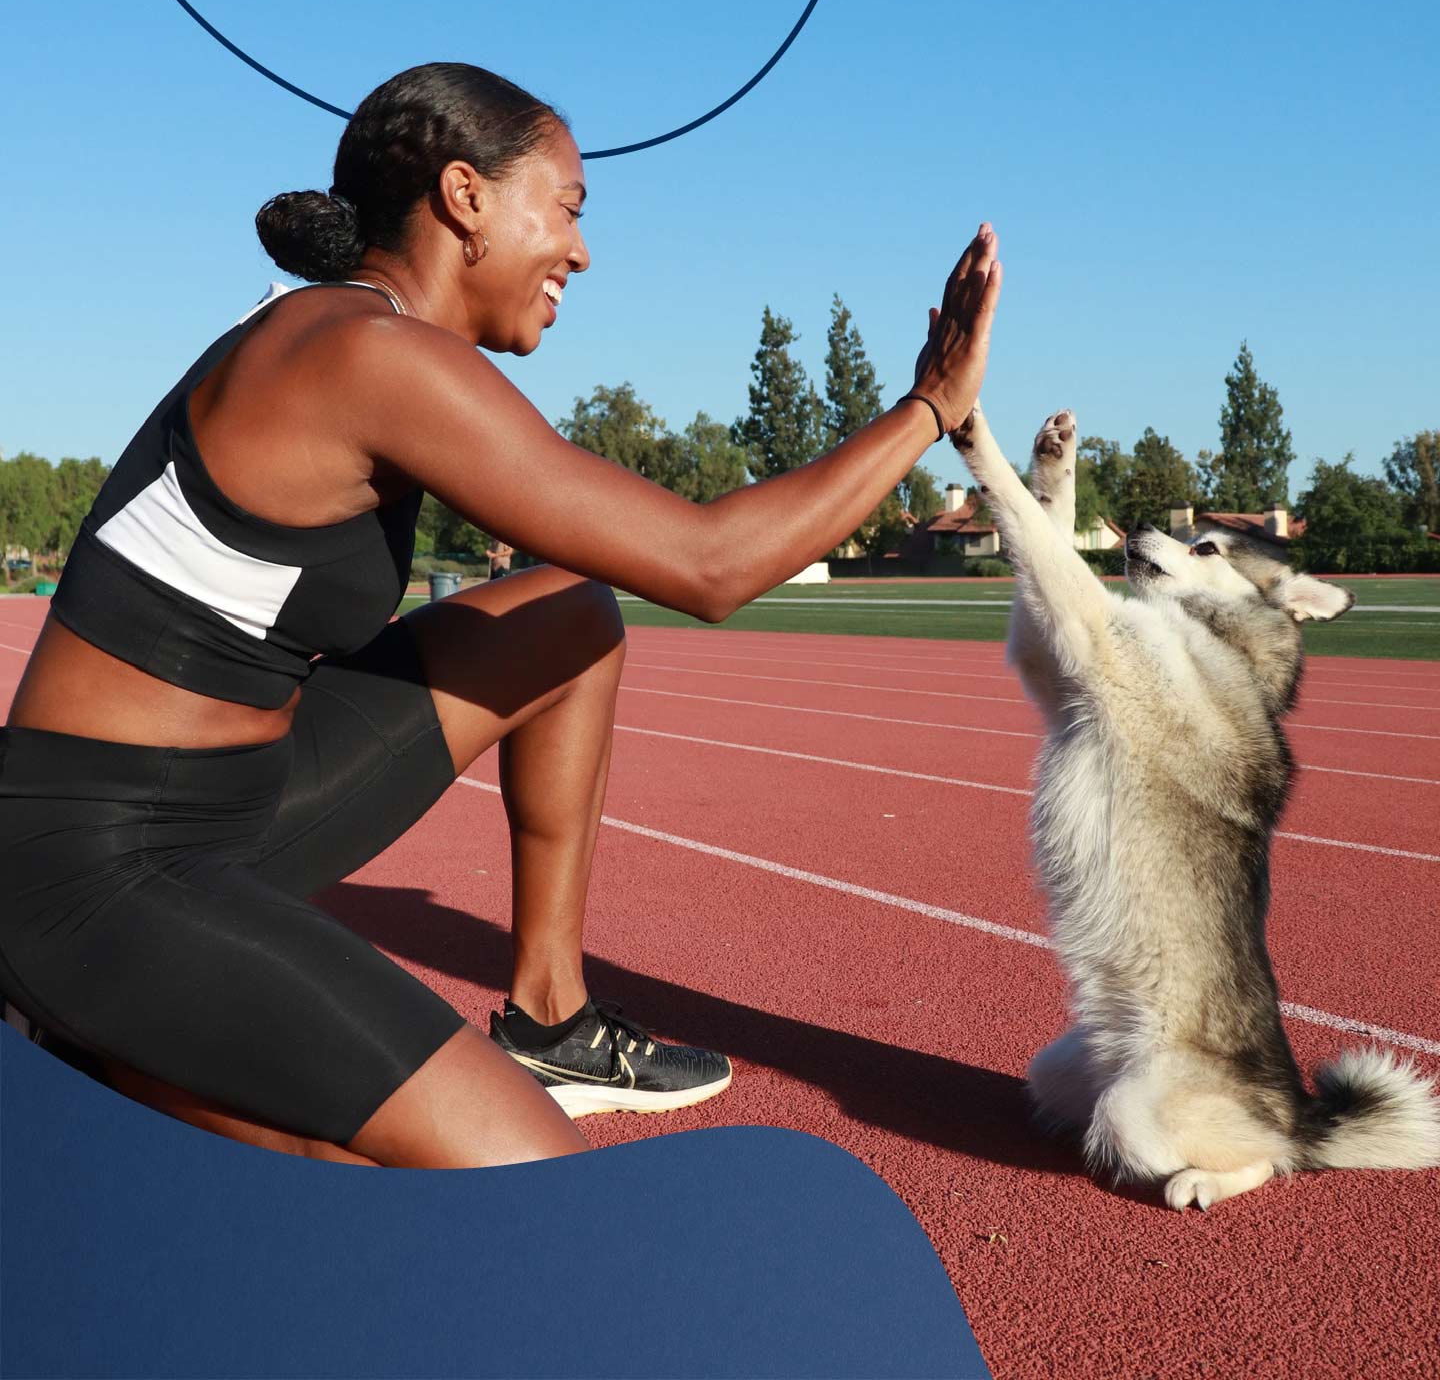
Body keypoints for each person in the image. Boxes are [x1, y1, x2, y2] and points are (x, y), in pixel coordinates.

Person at [0, 63, 1001, 1168]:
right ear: (465, 197)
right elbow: (711, 565)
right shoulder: (367, 355)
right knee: (524, 1190)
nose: (580, 251)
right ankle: (74, 1040)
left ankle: (552, 1020)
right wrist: (930, 408)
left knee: (568, 617)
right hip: (95, 859)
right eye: (567, 208)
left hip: (244, 801)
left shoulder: (360, 332)